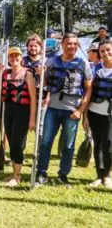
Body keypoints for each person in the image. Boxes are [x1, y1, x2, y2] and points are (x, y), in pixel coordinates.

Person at [36, 33, 93, 187]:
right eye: (68, 43)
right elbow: (45, 82)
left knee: (68, 145)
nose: (72, 46)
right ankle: (41, 172)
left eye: (75, 44)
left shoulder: (83, 64)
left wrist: (80, 110)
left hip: (72, 111)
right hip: (53, 109)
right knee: (46, 142)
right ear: (62, 44)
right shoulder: (52, 61)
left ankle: (63, 175)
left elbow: (88, 89)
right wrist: (41, 74)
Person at [0, 47, 37, 187]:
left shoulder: (28, 74)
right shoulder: (6, 73)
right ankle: (14, 172)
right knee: (10, 140)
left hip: (23, 111)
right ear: (8, 59)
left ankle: (17, 176)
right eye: (11, 56)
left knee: (16, 143)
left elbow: (33, 98)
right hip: (8, 110)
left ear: (21, 58)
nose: (14, 58)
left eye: (17, 56)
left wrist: (32, 119)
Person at [85, 39, 112, 189]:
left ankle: (107, 176)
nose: (105, 53)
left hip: (110, 113)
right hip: (94, 112)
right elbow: (88, 92)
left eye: (108, 50)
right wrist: (85, 115)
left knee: (108, 144)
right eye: (102, 51)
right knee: (97, 144)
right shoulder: (94, 69)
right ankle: (99, 175)